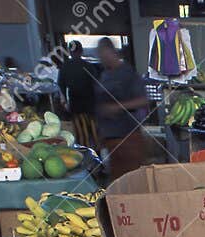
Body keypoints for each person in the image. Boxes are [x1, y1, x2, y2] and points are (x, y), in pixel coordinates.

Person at [94, 37, 150, 179]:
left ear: (112, 52)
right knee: (118, 182)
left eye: (103, 54)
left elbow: (143, 100)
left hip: (128, 137)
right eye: (100, 55)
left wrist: (117, 107)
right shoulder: (105, 74)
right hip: (111, 140)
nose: (102, 59)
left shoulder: (128, 73)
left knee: (135, 180)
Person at [56, 41, 98, 148]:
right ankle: (98, 153)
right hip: (90, 104)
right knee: (94, 131)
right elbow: (97, 85)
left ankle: (85, 152)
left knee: (81, 133)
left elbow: (61, 86)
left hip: (75, 104)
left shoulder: (65, 67)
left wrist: (64, 102)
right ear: (81, 51)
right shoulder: (88, 66)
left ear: (70, 51)